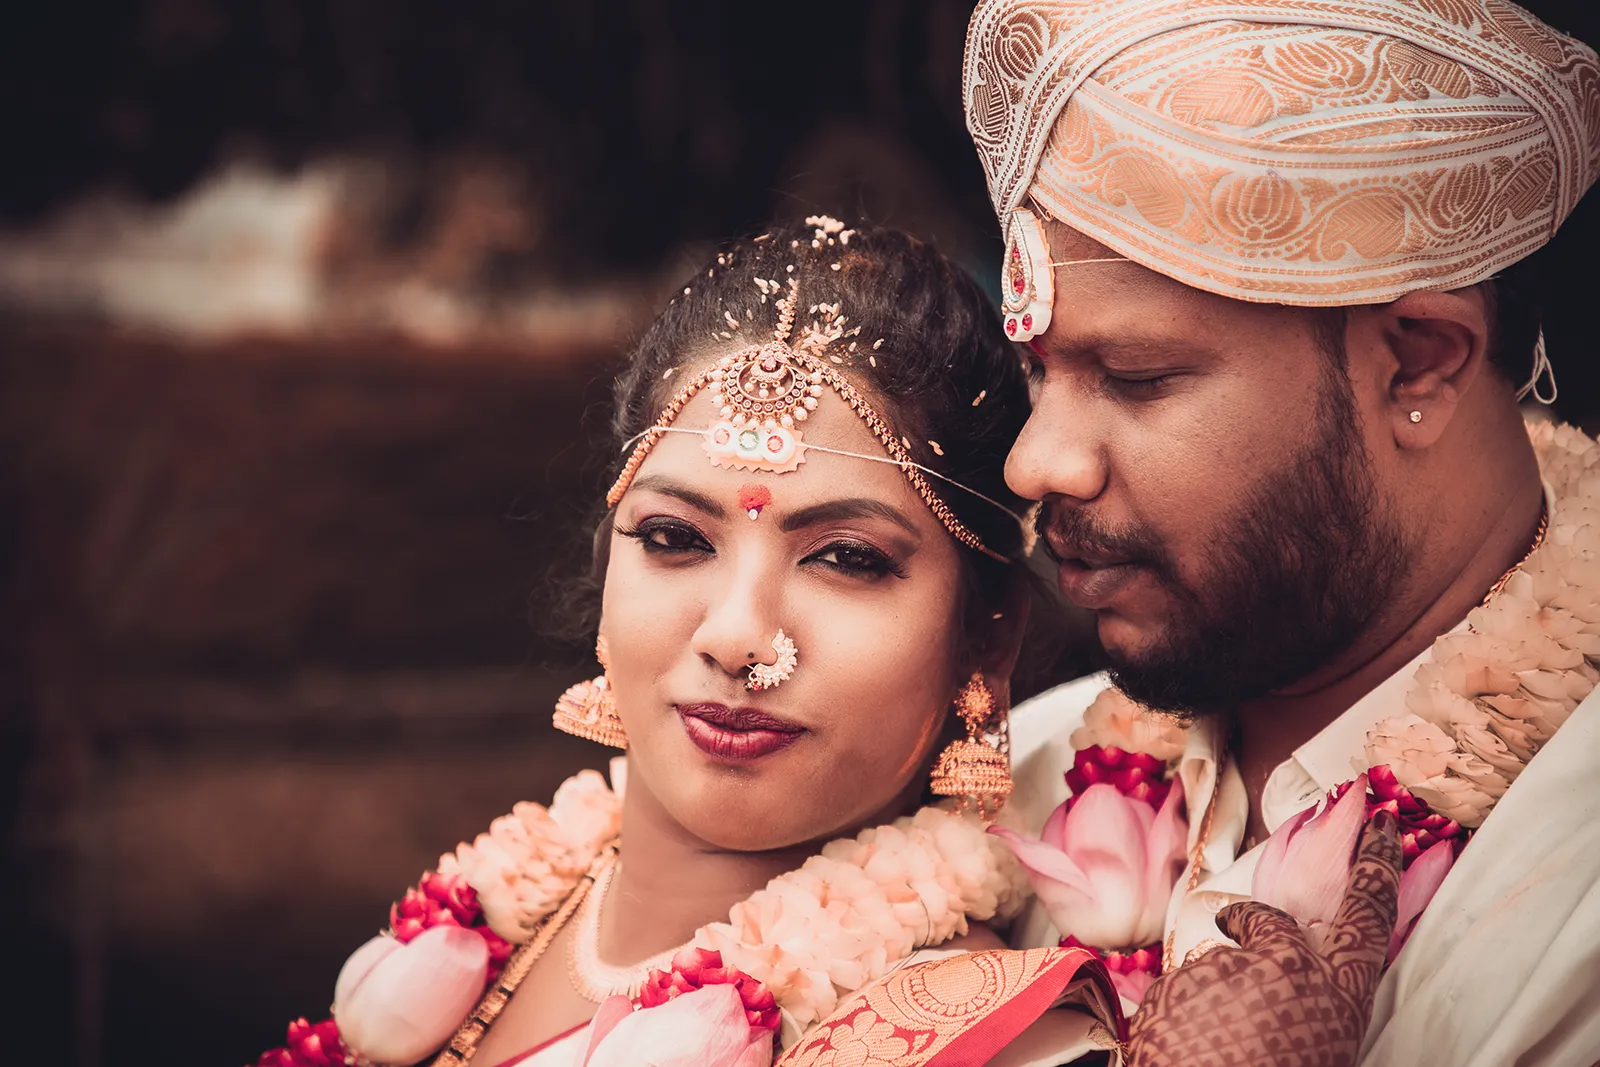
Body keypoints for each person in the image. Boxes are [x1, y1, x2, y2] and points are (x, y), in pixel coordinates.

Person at [251, 218, 1125, 1067]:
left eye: (846, 558)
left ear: (987, 630)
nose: (737, 636)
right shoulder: (483, 923)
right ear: (608, 568)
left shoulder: (964, 1036)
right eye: (674, 537)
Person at [957, 1, 1600, 1064]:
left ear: (1419, 362)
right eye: (1039, 371)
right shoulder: (1017, 786)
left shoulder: (1572, 884)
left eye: (1136, 376)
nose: (1037, 463)